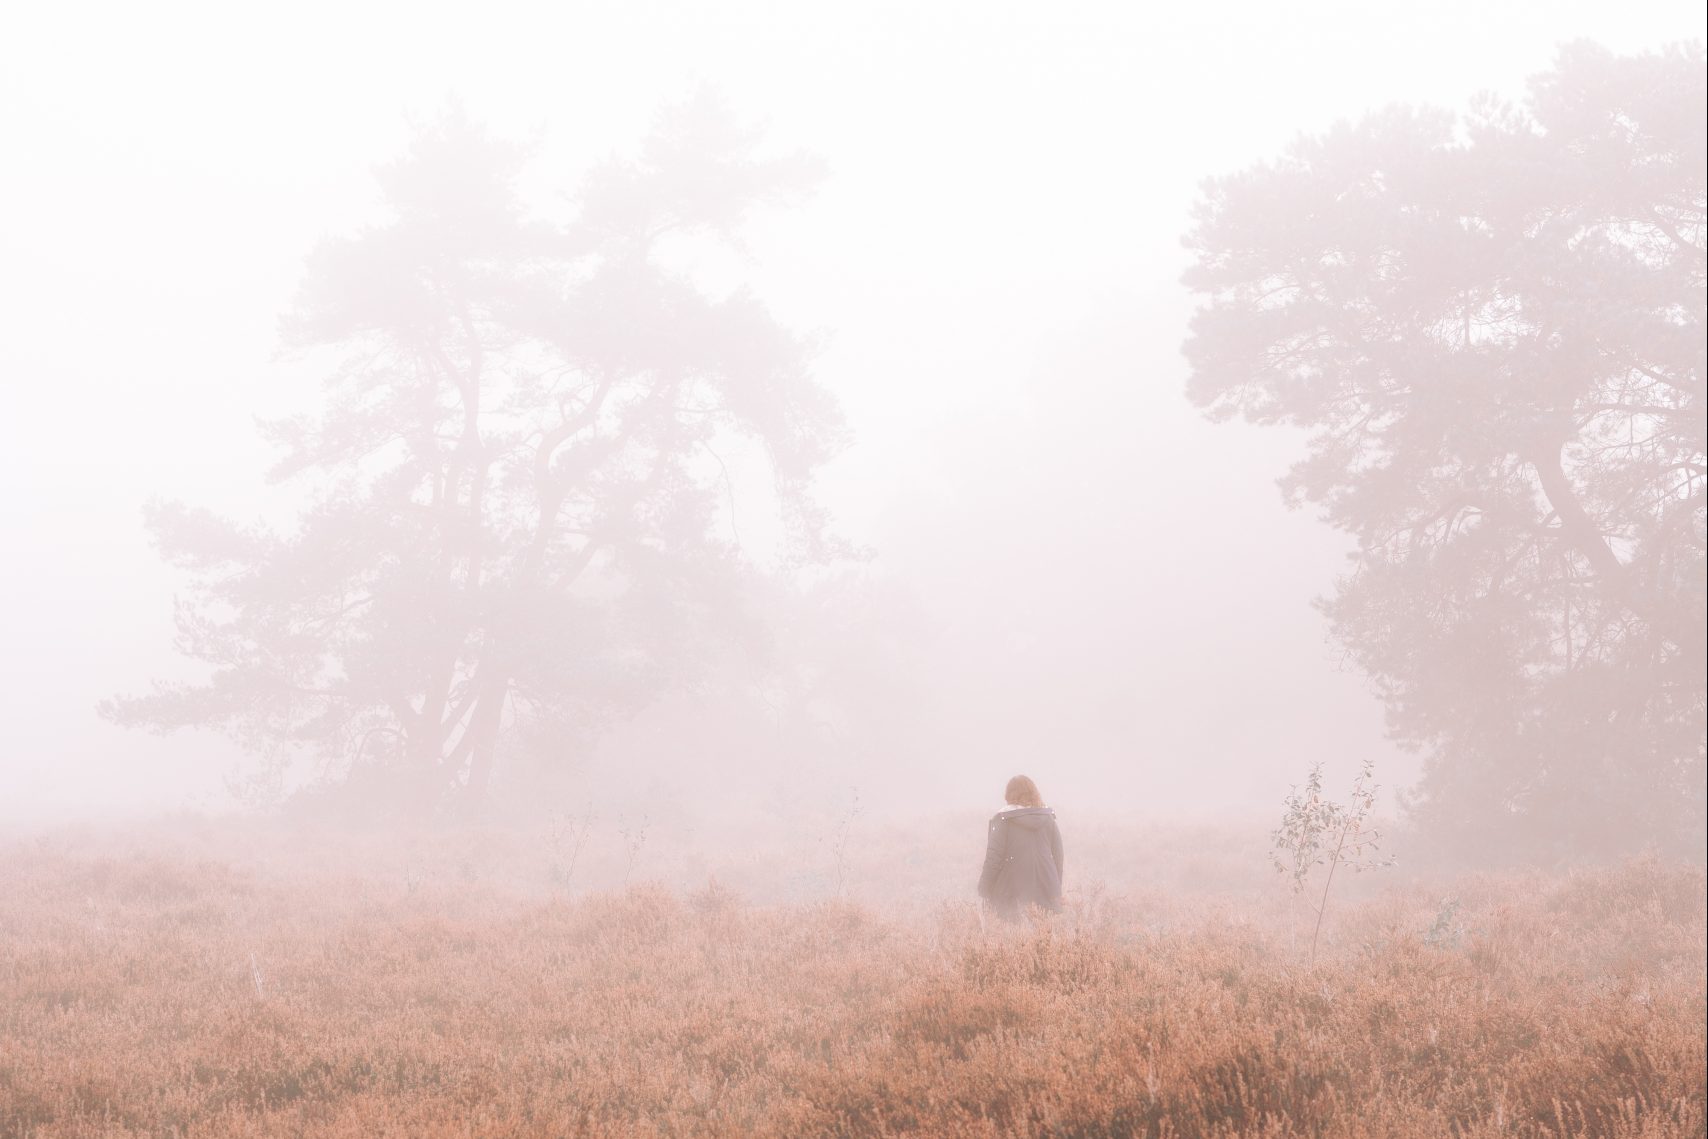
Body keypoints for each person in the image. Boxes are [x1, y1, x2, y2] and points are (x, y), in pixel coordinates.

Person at [976, 775, 1064, 922]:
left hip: (1011, 894)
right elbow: (1058, 858)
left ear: (1009, 795)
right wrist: (1055, 891)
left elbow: (993, 858)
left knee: (1011, 940)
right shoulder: (1048, 819)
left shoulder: (1003, 820)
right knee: (1042, 941)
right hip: (1046, 894)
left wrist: (984, 889)